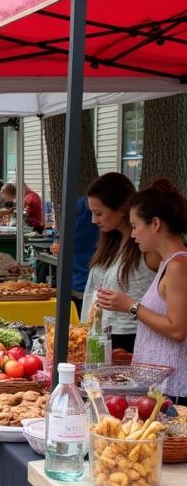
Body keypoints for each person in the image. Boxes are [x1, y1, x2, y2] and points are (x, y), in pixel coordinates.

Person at [122, 180, 187, 403]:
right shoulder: (167, 263)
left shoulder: (178, 266)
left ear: (155, 224)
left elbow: (177, 329)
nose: (133, 234)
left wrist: (130, 306)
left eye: (135, 225)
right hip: (162, 386)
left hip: (173, 389)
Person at [84, 173, 159, 354]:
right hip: (99, 335)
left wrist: (130, 306)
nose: (94, 220)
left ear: (121, 209)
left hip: (131, 339)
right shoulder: (111, 242)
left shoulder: (149, 248)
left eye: (99, 213)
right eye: (92, 213)